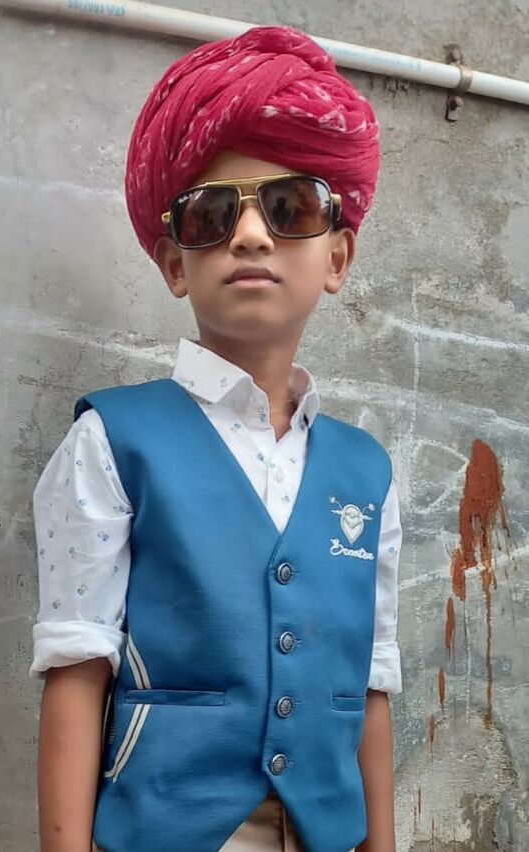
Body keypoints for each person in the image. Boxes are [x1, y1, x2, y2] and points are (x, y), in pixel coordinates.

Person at [29, 24, 403, 852]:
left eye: (290, 209)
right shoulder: (112, 442)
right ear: (174, 264)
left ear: (337, 258)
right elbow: (77, 672)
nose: (251, 235)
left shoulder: (366, 474)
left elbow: (370, 685)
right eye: (212, 215)